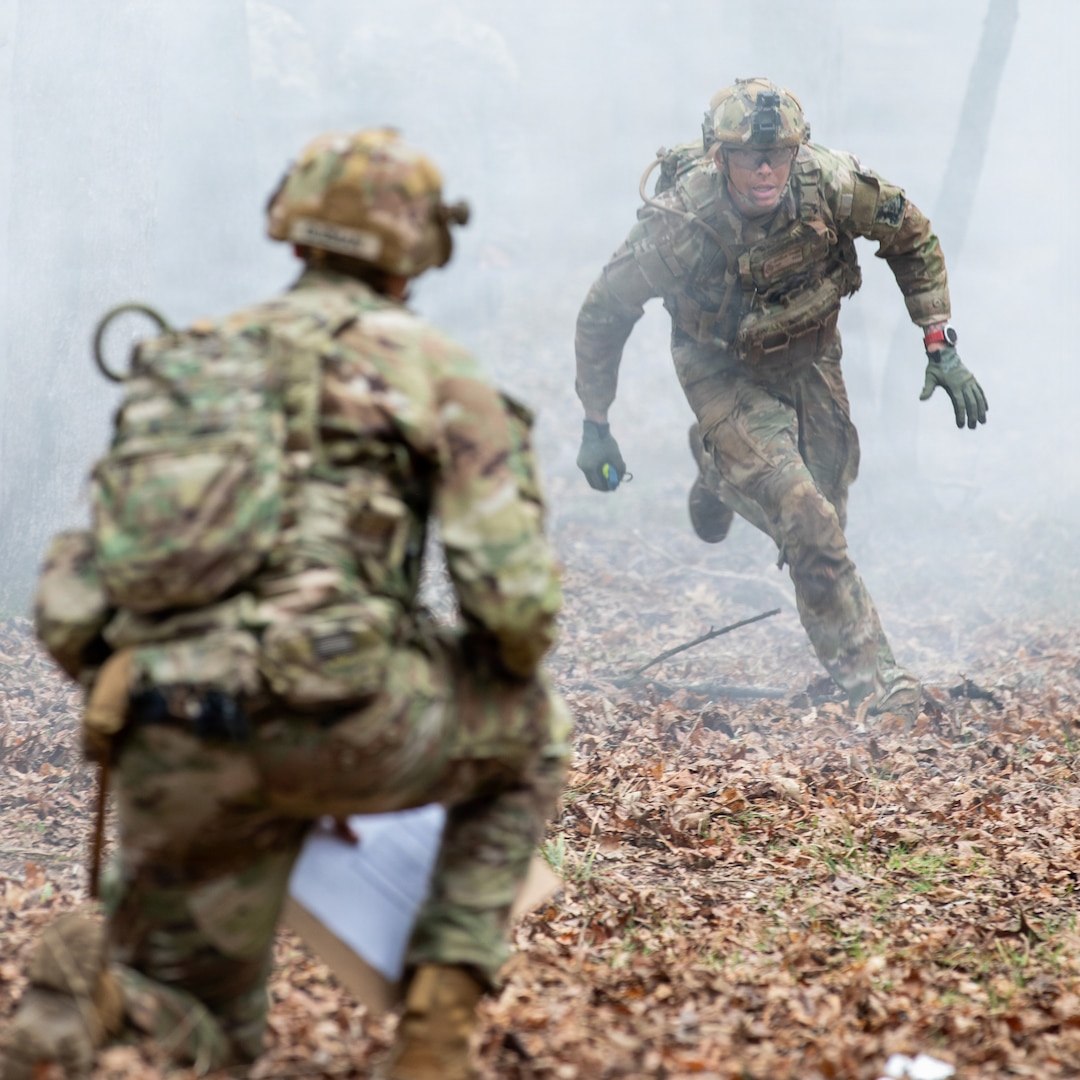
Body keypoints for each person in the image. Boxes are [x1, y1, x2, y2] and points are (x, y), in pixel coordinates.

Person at [2, 128, 571, 1080]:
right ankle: (431, 1039)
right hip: (339, 715)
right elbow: (512, 614)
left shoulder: (196, 358)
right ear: (416, 248)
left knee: (201, 1027)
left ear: (293, 230)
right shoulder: (433, 367)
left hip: (171, 726)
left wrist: (119, 677)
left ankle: (99, 1012)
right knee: (529, 727)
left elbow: (80, 581)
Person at [574, 77, 988, 719]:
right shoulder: (679, 225)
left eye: (779, 154)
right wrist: (595, 420)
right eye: (748, 156)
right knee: (806, 519)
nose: (765, 169)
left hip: (811, 353)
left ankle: (717, 472)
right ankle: (880, 688)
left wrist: (938, 338)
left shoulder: (831, 183)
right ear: (719, 157)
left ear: (799, 152)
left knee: (828, 509)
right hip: (722, 370)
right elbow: (605, 310)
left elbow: (910, 234)